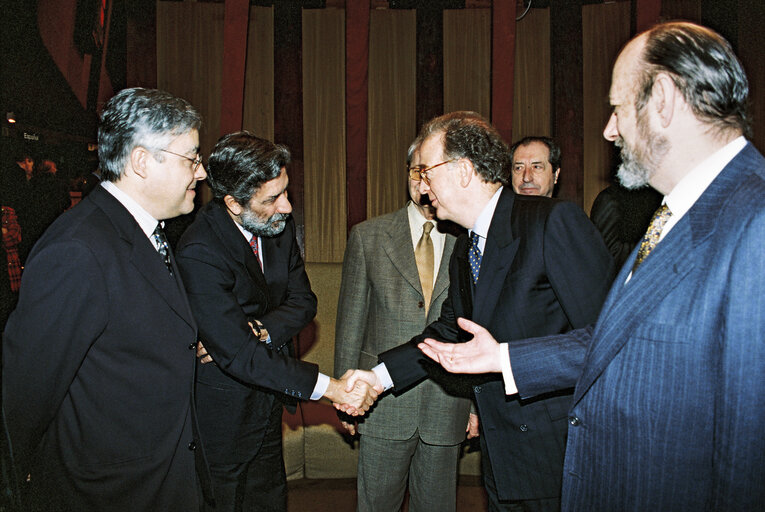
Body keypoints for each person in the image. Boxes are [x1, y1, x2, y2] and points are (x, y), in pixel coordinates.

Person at [418, 22, 765, 511]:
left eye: (618, 108)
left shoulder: (753, 219)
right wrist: (503, 360)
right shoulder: (679, 212)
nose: (609, 129)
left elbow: (750, 440)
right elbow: (610, 341)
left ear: (662, 98)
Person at [346, 111, 615, 511]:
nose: (421, 186)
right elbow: (448, 332)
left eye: (426, 171)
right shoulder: (466, 249)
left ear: (464, 171)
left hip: (558, 458)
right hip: (503, 457)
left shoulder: (552, 223)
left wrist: (506, 358)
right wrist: (377, 377)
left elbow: (612, 342)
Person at [3, 87, 213, 511]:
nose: (202, 172)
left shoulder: (147, 230)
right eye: (191, 157)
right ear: (141, 161)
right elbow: (20, 403)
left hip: (161, 483)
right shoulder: (78, 250)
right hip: (108, 494)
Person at [174, 131, 380, 512]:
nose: (287, 207)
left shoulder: (276, 229)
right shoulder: (200, 251)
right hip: (223, 413)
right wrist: (332, 389)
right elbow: (239, 356)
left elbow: (304, 301)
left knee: (269, 499)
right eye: (272, 199)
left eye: (285, 192)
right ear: (234, 204)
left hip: (269, 401)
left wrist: (260, 330)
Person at [333, 140, 472, 512]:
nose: (422, 179)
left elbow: (477, 327)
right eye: (416, 170)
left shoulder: (470, 239)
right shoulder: (368, 236)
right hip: (382, 406)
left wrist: (475, 405)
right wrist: (345, 395)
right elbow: (350, 323)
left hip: (448, 403)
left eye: (430, 170)